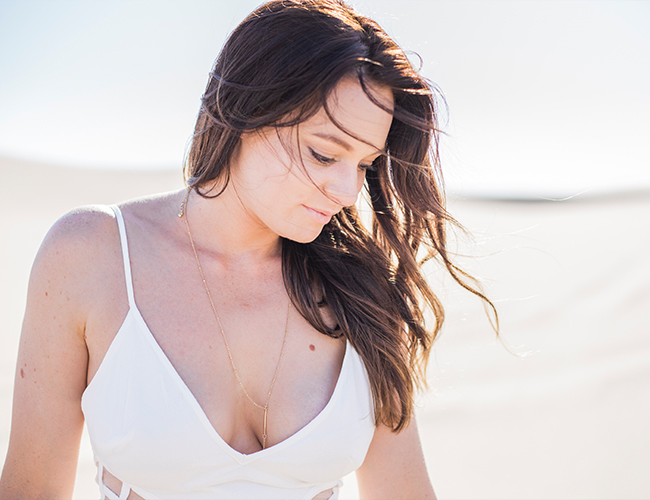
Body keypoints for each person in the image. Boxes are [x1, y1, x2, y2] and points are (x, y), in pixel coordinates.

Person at [0, 1, 496, 498]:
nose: (346, 192)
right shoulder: (93, 255)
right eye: (323, 154)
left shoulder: (362, 293)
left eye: (364, 164)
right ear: (247, 113)